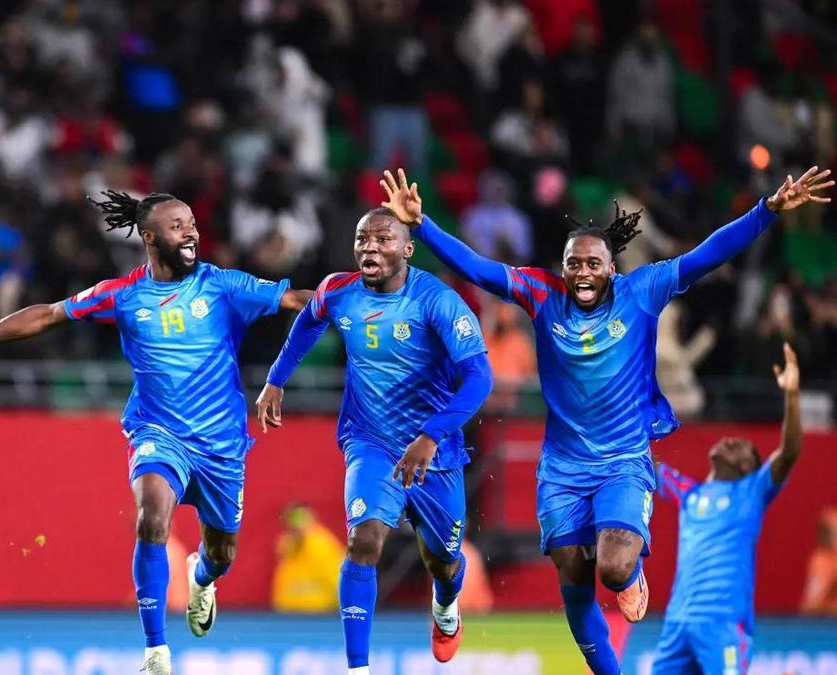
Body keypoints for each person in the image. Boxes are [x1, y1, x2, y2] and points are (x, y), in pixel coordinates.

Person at [378, 166, 832, 675]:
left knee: (612, 570)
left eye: (593, 263)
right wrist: (422, 226)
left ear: (611, 268)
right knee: (574, 583)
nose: (583, 273)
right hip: (562, 472)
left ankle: (633, 574)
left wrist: (766, 210)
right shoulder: (541, 293)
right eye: (574, 264)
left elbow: (710, 253)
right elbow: (480, 268)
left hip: (623, 463)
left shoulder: (643, 291)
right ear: (564, 267)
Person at [0, 191, 312, 675]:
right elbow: (48, 314)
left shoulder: (223, 285)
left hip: (222, 443)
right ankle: (155, 651)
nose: (191, 233)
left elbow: (297, 300)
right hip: (157, 432)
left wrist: (357, 299)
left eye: (191, 224)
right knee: (152, 517)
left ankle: (202, 578)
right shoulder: (124, 294)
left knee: (222, 551)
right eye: (178, 226)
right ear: (150, 237)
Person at [256, 207, 494, 672]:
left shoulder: (436, 301)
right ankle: (358, 667)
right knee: (363, 540)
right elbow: (308, 320)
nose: (370, 247)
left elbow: (480, 378)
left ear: (407, 249)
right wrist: (276, 379)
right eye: (363, 239)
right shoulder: (337, 291)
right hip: (370, 442)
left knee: (444, 563)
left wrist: (431, 434)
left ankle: (446, 606)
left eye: (383, 239)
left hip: (434, 452)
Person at [653, 343, 801, 674]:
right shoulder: (690, 494)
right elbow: (648, 465)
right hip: (677, 623)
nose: (731, 442)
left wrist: (791, 396)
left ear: (750, 469)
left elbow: (789, 453)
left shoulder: (752, 491)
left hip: (722, 626)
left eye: (743, 449)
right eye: (731, 441)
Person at [270, 503, 344, 614]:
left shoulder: (321, 545)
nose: (297, 531)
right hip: (288, 613)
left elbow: (337, 577)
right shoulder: (287, 547)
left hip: (318, 613)